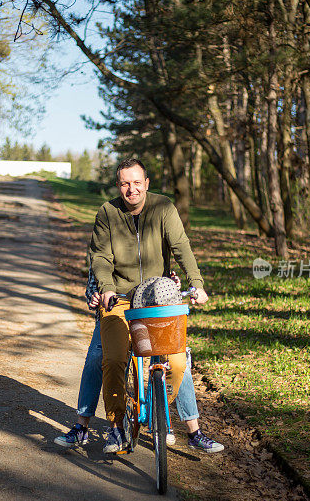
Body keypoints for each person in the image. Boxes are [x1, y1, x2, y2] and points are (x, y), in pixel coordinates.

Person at [89, 157, 223, 454]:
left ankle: (154, 400)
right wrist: (107, 289)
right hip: (120, 299)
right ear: (118, 185)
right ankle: (114, 427)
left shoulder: (163, 208)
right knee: (112, 360)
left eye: (137, 182)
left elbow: (181, 246)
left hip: (157, 299)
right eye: (125, 183)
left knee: (176, 364)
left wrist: (196, 283)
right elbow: (100, 258)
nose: (131, 189)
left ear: (146, 184)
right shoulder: (107, 213)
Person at [55, 268, 223, 451]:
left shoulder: (159, 240)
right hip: (117, 310)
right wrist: (94, 297)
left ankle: (190, 430)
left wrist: (174, 283)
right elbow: (93, 281)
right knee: (97, 357)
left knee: (177, 357)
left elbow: (169, 271)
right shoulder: (107, 242)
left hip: (154, 310)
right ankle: (82, 426)